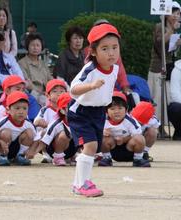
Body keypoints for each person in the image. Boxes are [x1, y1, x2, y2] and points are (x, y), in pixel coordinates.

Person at [67, 24, 121, 197]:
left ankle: (78, 184)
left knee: (94, 148)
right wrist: (90, 85)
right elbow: (73, 90)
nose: (111, 53)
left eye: (115, 47)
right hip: (80, 111)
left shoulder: (116, 69)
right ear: (94, 52)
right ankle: (83, 184)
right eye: (105, 48)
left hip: (98, 112)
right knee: (90, 146)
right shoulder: (89, 69)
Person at [148, 1, 181, 130]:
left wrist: (177, 43)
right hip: (158, 68)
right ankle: (156, 126)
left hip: (168, 68)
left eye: (178, 13)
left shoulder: (174, 30)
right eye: (174, 13)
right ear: (167, 14)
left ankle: (163, 125)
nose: (176, 16)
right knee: (157, 98)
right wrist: (170, 31)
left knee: (167, 98)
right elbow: (159, 44)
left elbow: (170, 51)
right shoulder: (159, 26)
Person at [98, 91, 150, 167]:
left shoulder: (130, 121)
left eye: (120, 108)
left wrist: (124, 139)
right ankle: (106, 158)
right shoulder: (102, 121)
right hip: (112, 150)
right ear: (106, 111)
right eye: (112, 109)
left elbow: (138, 134)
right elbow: (93, 132)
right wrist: (102, 132)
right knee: (102, 138)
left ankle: (138, 159)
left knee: (139, 138)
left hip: (129, 150)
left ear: (126, 110)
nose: (116, 111)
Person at [0, 91, 40, 166]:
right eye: (17, 108)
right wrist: (0, 142)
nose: (21, 112)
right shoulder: (3, 123)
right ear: (8, 110)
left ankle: (20, 156)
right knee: (6, 133)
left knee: (29, 132)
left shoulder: (28, 124)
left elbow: (37, 138)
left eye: (24, 108)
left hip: (15, 149)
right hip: (1, 148)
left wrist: (32, 150)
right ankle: (2, 157)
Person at [35, 93, 77, 166]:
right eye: (69, 107)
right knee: (64, 135)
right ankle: (58, 157)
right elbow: (46, 138)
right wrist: (35, 152)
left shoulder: (80, 121)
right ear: (62, 110)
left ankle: (76, 156)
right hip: (55, 149)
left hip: (72, 149)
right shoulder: (57, 123)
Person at [33, 79, 67, 163]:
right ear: (48, 95)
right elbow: (36, 122)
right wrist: (40, 122)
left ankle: (73, 154)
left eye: (62, 91)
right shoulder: (45, 109)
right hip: (50, 142)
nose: (59, 93)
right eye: (55, 91)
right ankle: (46, 154)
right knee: (44, 133)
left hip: (65, 139)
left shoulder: (69, 109)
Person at [0, 27, 24, 96]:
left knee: (32, 100)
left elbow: (19, 74)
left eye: (1, 39)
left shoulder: (10, 57)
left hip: (16, 89)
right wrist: (14, 81)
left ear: (4, 41)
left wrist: (17, 83)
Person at [18, 33, 52, 106]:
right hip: (32, 94)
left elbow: (50, 79)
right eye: (32, 45)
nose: (35, 48)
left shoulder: (43, 63)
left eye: (38, 45)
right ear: (28, 46)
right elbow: (27, 84)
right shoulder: (22, 63)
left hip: (46, 94)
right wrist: (41, 93)